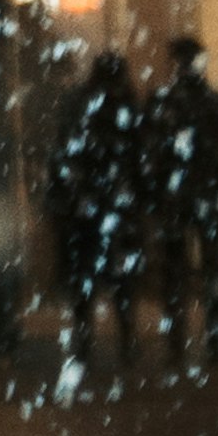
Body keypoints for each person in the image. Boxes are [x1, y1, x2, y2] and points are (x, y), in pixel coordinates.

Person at [50, 53, 152, 388]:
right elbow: (142, 157)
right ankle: (122, 340)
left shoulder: (83, 104)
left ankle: (86, 341)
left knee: (86, 277)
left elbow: (63, 150)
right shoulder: (128, 107)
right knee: (118, 278)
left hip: (89, 204)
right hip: (114, 205)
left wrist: (63, 196)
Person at [157, 36, 218, 377]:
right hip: (206, 194)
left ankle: (180, 340)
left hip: (178, 197)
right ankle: (214, 336)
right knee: (212, 269)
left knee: (177, 271)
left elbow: (152, 152)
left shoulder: (166, 103)